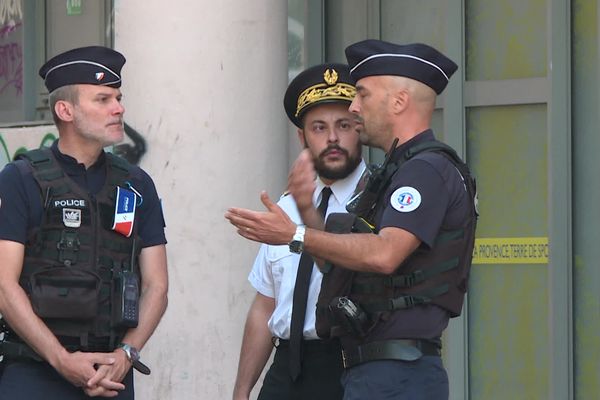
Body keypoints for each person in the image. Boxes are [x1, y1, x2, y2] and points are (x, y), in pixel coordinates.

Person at [226, 39, 477, 400]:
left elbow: (384, 254)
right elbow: (342, 267)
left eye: (362, 94)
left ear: (399, 101)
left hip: (396, 373)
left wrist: (295, 233)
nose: (356, 107)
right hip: (369, 371)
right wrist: (303, 215)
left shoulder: (425, 170)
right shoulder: (397, 173)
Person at [0, 46, 168, 399]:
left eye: (118, 98)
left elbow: (157, 286)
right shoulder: (20, 179)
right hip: (35, 375)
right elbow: (4, 285)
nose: (118, 108)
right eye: (103, 99)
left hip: (111, 374)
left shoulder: (136, 184)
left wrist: (127, 354)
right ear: (66, 110)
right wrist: (61, 359)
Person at [232, 63, 365, 400]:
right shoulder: (286, 206)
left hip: (352, 367)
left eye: (344, 125)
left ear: (360, 128)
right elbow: (266, 305)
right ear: (302, 137)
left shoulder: (376, 201)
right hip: (286, 370)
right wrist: (242, 391)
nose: (332, 138)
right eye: (319, 127)